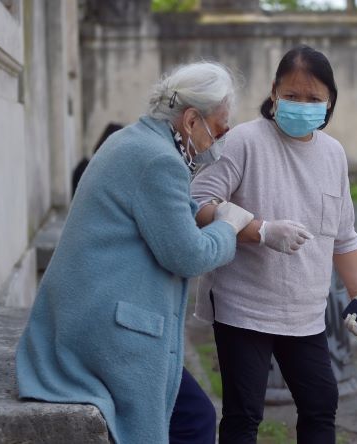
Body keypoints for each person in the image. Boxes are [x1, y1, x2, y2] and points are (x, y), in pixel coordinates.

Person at [16, 62, 256, 444]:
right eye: (220, 130)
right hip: (105, 330)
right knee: (194, 419)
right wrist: (228, 226)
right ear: (192, 119)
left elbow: (163, 212)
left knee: (190, 410)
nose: (220, 142)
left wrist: (206, 214)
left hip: (83, 316)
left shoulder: (134, 139)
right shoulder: (159, 161)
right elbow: (188, 256)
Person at [190, 45, 357, 444]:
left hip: (306, 314)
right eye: (292, 96)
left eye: (314, 99)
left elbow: (344, 236)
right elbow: (196, 205)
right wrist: (258, 229)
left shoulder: (333, 154)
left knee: (320, 403)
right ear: (274, 93)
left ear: (329, 104)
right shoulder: (244, 141)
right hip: (244, 307)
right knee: (244, 414)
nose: (302, 105)